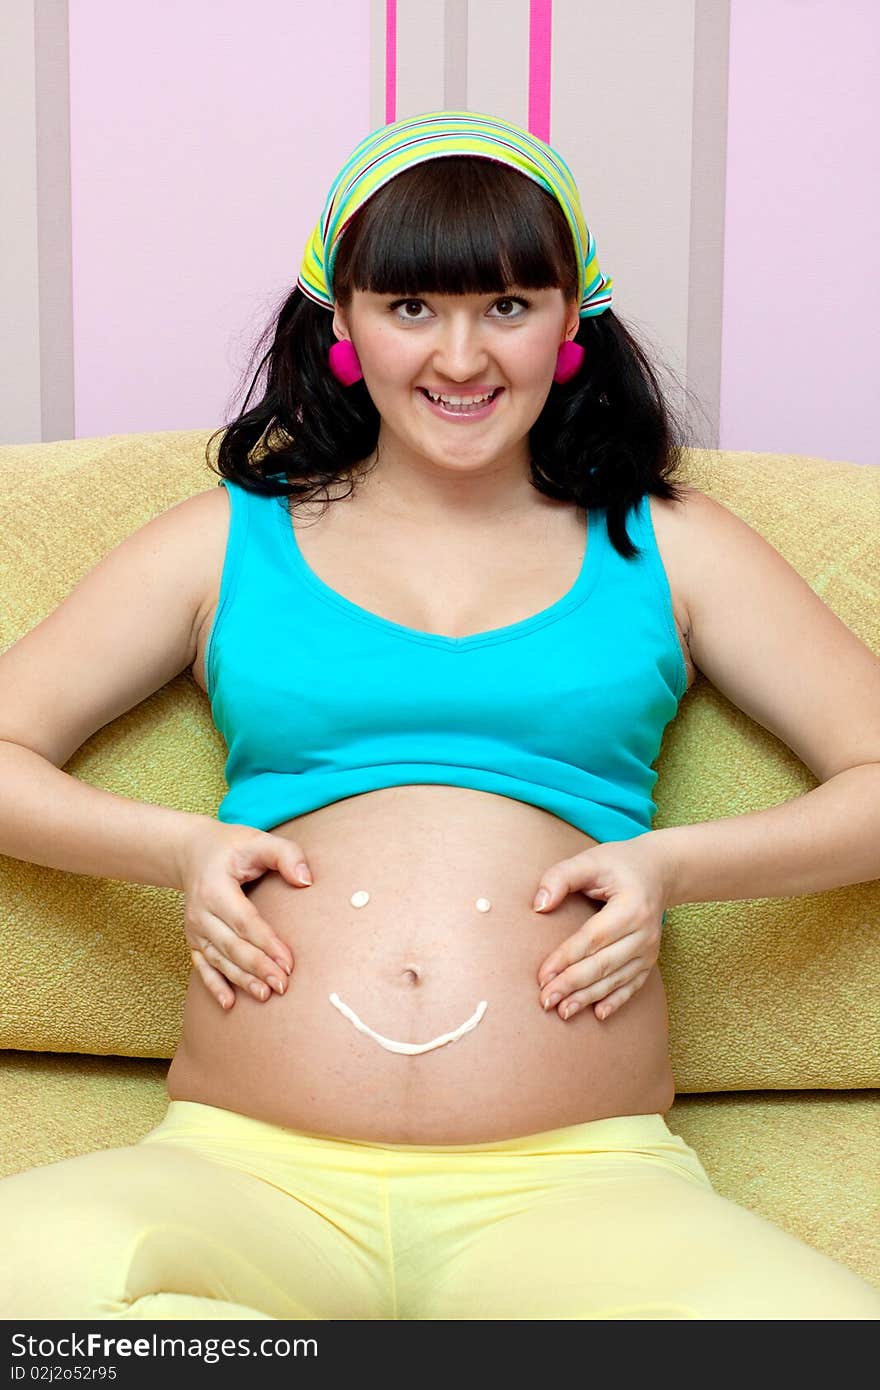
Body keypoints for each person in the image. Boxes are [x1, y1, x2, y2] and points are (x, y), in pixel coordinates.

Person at [0, 109, 878, 1321]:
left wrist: (673, 866)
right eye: (412, 307)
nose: (461, 358)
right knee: (34, 1296)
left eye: (507, 306)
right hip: (244, 1173)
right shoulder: (228, 537)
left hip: (582, 1192)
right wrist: (176, 848)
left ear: (572, 323)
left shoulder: (668, 547)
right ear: (344, 321)